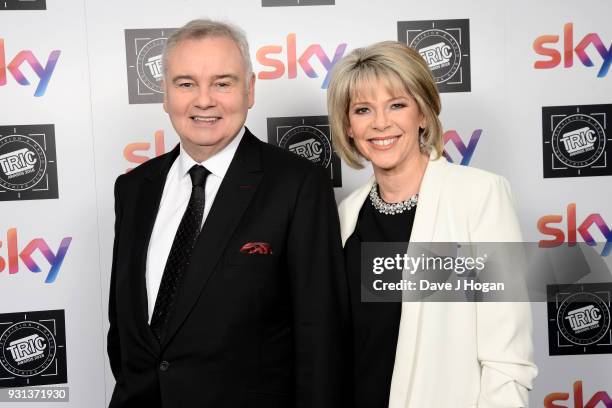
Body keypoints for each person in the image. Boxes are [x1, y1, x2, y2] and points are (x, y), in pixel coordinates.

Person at [107, 19, 349, 408]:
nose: (204, 100)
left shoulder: (298, 185)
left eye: (223, 83)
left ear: (250, 90)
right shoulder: (134, 188)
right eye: (186, 84)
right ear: (165, 95)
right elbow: (124, 329)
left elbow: (320, 337)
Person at [327, 41, 538, 407]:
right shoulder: (347, 216)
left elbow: (508, 358)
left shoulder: (479, 197)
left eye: (397, 105)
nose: (380, 123)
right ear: (348, 127)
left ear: (423, 114)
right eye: (363, 109)